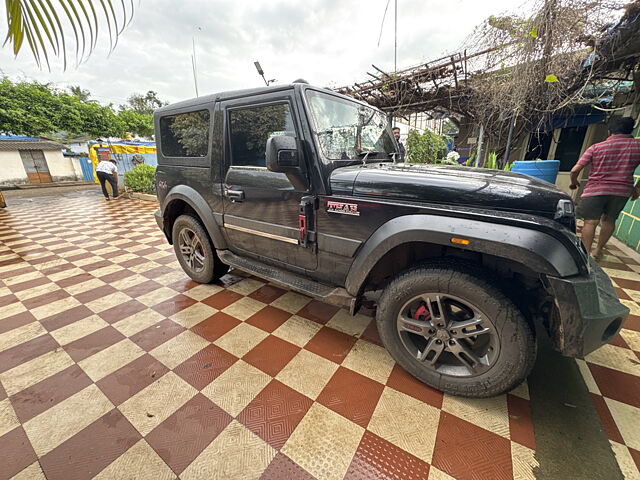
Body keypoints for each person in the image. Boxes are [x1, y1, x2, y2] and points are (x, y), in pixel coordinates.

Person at [570, 116, 640, 258]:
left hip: (595, 189)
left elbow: (574, 170)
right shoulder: (637, 147)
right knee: (610, 219)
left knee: (590, 221)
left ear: (610, 131)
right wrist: (637, 189)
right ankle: (598, 250)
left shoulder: (597, 147)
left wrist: (574, 181)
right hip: (622, 191)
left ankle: (585, 255)